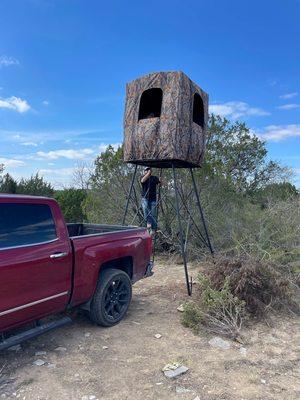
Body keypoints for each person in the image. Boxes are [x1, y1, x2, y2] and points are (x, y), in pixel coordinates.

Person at [141, 167, 160, 232]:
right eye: (146, 170)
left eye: (148, 170)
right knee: (146, 210)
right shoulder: (143, 177)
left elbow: (161, 184)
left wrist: (161, 180)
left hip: (153, 198)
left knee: (153, 213)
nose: (147, 171)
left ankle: (154, 229)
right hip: (145, 198)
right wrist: (148, 174)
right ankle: (148, 223)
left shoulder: (154, 178)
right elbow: (142, 181)